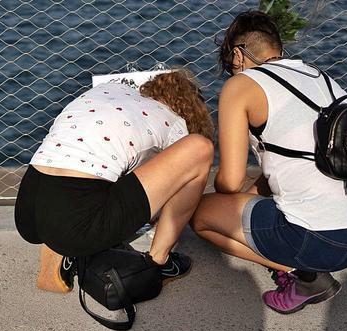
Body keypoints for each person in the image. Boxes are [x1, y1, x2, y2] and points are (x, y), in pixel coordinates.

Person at [191, 11, 347, 314]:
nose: (232, 71)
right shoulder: (318, 76)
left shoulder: (241, 86)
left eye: (229, 64)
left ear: (237, 55)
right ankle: (307, 267)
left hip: (327, 240)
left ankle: (305, 277)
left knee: (201, 215)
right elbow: (297, 157)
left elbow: (230, 180)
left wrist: (223, 196)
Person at [15, 69, 215, 292]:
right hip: (76, 221)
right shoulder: (176, 124)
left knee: (104, 170)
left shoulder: (111, 89)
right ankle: (159, 262)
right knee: (199, 148)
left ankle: (59, 243)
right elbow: (163, 191)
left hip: (28, 207)